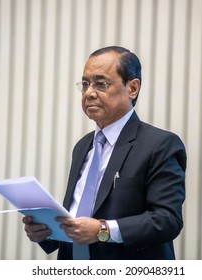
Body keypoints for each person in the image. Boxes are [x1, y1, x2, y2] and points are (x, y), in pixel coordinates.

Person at [22, 46, 186, 260]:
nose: (89, 92)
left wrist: (103, 230)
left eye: (101, 83)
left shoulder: (160, 144)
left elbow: (167, 220)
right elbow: (80, 213)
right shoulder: (83, 146)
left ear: (132, 88)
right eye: (85, 84)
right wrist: (47, 232)